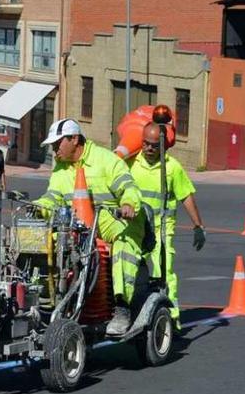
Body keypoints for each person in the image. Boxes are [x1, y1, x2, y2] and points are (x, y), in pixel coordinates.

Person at [34, 119, 145, 336]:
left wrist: (129, 203)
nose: (54, 149)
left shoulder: (105, 159)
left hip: (114, 221)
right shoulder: (60, 168)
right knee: (43, 244)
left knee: (124, 246)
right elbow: (52, 197)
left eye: (58, 144)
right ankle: (48, 303)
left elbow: (128, 186)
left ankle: (122, 308)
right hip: (78, 224)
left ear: (74, 139)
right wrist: (38, 208)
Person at [126, 122, 206, 328]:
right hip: (136, 228)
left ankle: (171, 318)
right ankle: (133, 311)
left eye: (154, 145)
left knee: (164, 273)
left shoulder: (171, 168)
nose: (149, 149)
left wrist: (198, 227)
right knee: (130, 269)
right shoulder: (131, 163)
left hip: (161, 229)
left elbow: (186, 196)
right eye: (145, 144)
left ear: (163, 146)